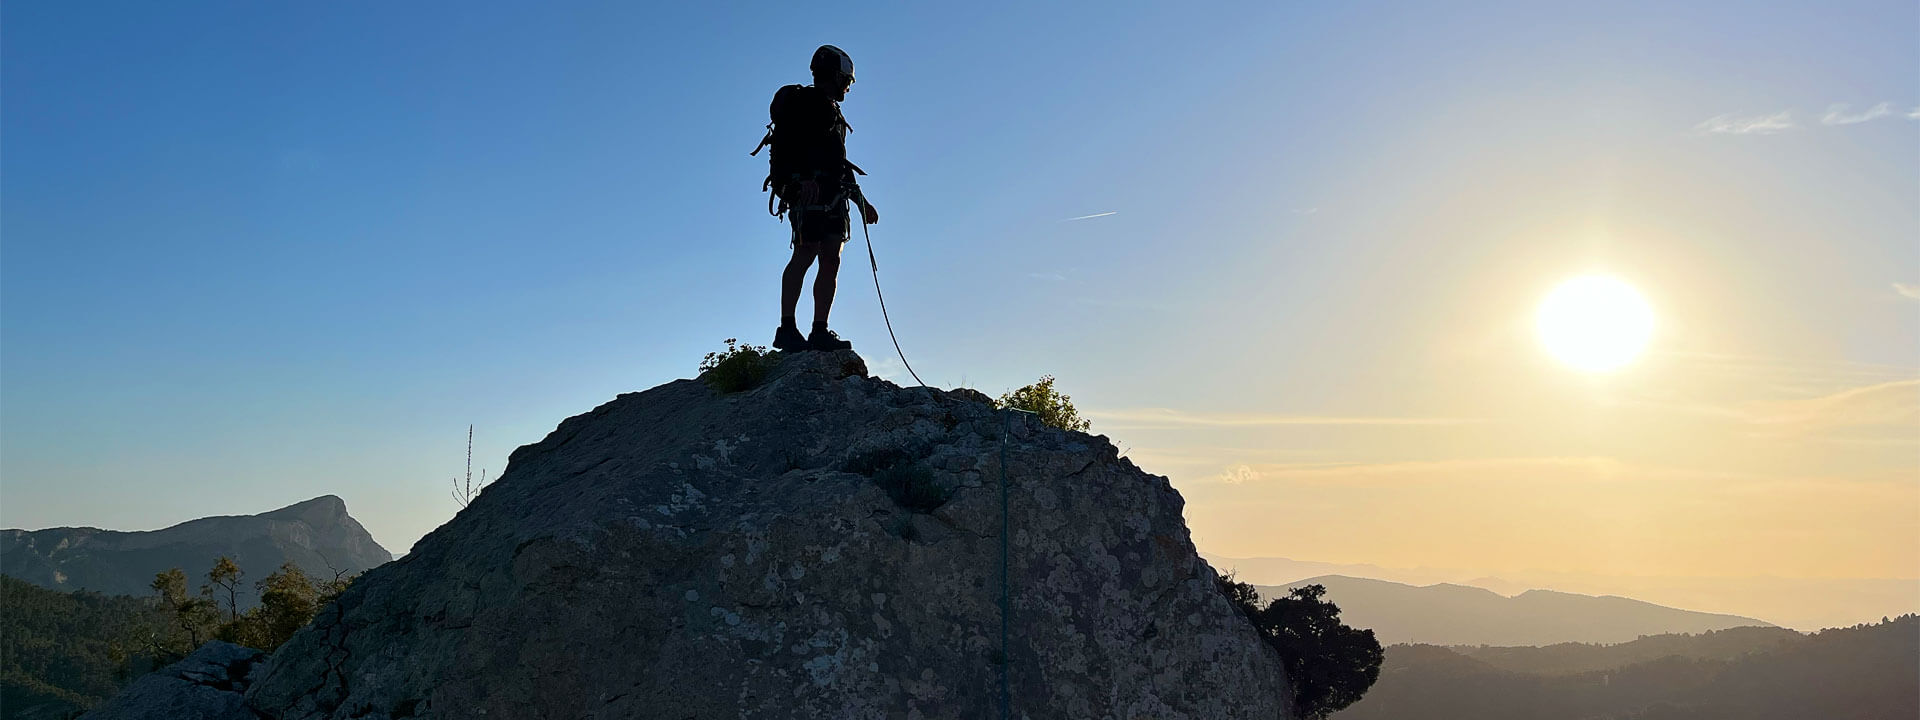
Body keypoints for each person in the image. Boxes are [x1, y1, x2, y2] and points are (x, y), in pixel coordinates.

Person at [762, 45, 879, 352]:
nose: (848, 87)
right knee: (812, 256)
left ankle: (810, 330)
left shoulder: (825, 110)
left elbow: (839, 161)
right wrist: (801, 184)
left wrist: (861, 201)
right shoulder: (814, 108)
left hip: (826, 195)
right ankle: (797, 329)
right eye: (847, 81)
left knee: (826, 258)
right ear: (836, 76)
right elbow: (823, 158)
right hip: (813, 195)